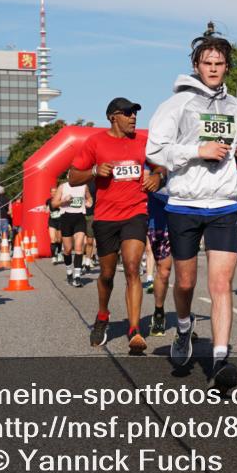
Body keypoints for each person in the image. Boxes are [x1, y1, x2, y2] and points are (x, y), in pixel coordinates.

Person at [146, 32, 237, 391]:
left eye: (219, 64)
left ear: (226, 67)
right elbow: (155, 151)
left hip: (223, 204)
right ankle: (184, 326)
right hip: (184, 204)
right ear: (195, 66)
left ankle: (220, 360)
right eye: (206, 63)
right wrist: (197, 150)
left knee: (221, 283)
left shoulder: (235, 107)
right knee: (187, 282)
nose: (212, 69)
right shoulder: (175, 105)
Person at [69, 98, 152, 352]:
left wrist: (158, 176)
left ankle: (134, 330)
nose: (133, 117)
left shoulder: (142, 141)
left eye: (135, 113)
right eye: (127, 113)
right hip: (106, 217)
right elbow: (73, 177)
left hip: (135, 212)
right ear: (113, 117)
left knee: (131, 267)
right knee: (106, 275)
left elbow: (162, 166)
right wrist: (94, 171)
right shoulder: (95, 142)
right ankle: (103, 316)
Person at [145, 171, 172, 336]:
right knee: (163, 270)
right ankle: (159, 311)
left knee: (186, 276)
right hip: (159, 220)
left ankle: (184, 321)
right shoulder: (150, 155)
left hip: (185, 218)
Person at [52, 176, 93, 287]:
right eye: (71, 175)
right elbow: (53, 204)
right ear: (68, 176)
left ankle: (77, 276)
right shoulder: (62, 187)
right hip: (66, 218)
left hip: (80, 218)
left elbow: (89, 198)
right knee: (68, 250)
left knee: (79, 247)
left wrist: (89, 202)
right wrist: (63, 201)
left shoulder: (84, 186)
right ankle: (69, 272)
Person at [46, 186, 63, 263]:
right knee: (53, 239)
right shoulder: (48, 201)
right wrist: (46, 209)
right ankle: (53, 257)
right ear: (50, 193)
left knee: (59, 240)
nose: (53, 193)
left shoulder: (61, 200)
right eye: (52, 192)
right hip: (52, 221)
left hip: (60, 221)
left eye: (55, 191)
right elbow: (47, 209)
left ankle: (59, 252)